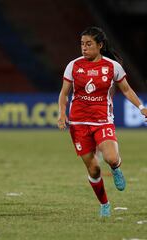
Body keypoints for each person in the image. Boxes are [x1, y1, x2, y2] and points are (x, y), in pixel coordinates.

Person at [58, 26, 147, 217]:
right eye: (82, 44)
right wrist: (61, 113)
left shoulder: (112, 66)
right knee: (94, 169)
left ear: (100, 45)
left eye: (89, 44)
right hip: (79, 124)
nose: (84, 48)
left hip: (103, 121)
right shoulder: (73, 65)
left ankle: (116, 168)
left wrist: (141, 107)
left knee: (111, 158)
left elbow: (126, 90)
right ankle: (104, 204)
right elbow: (64, 93)